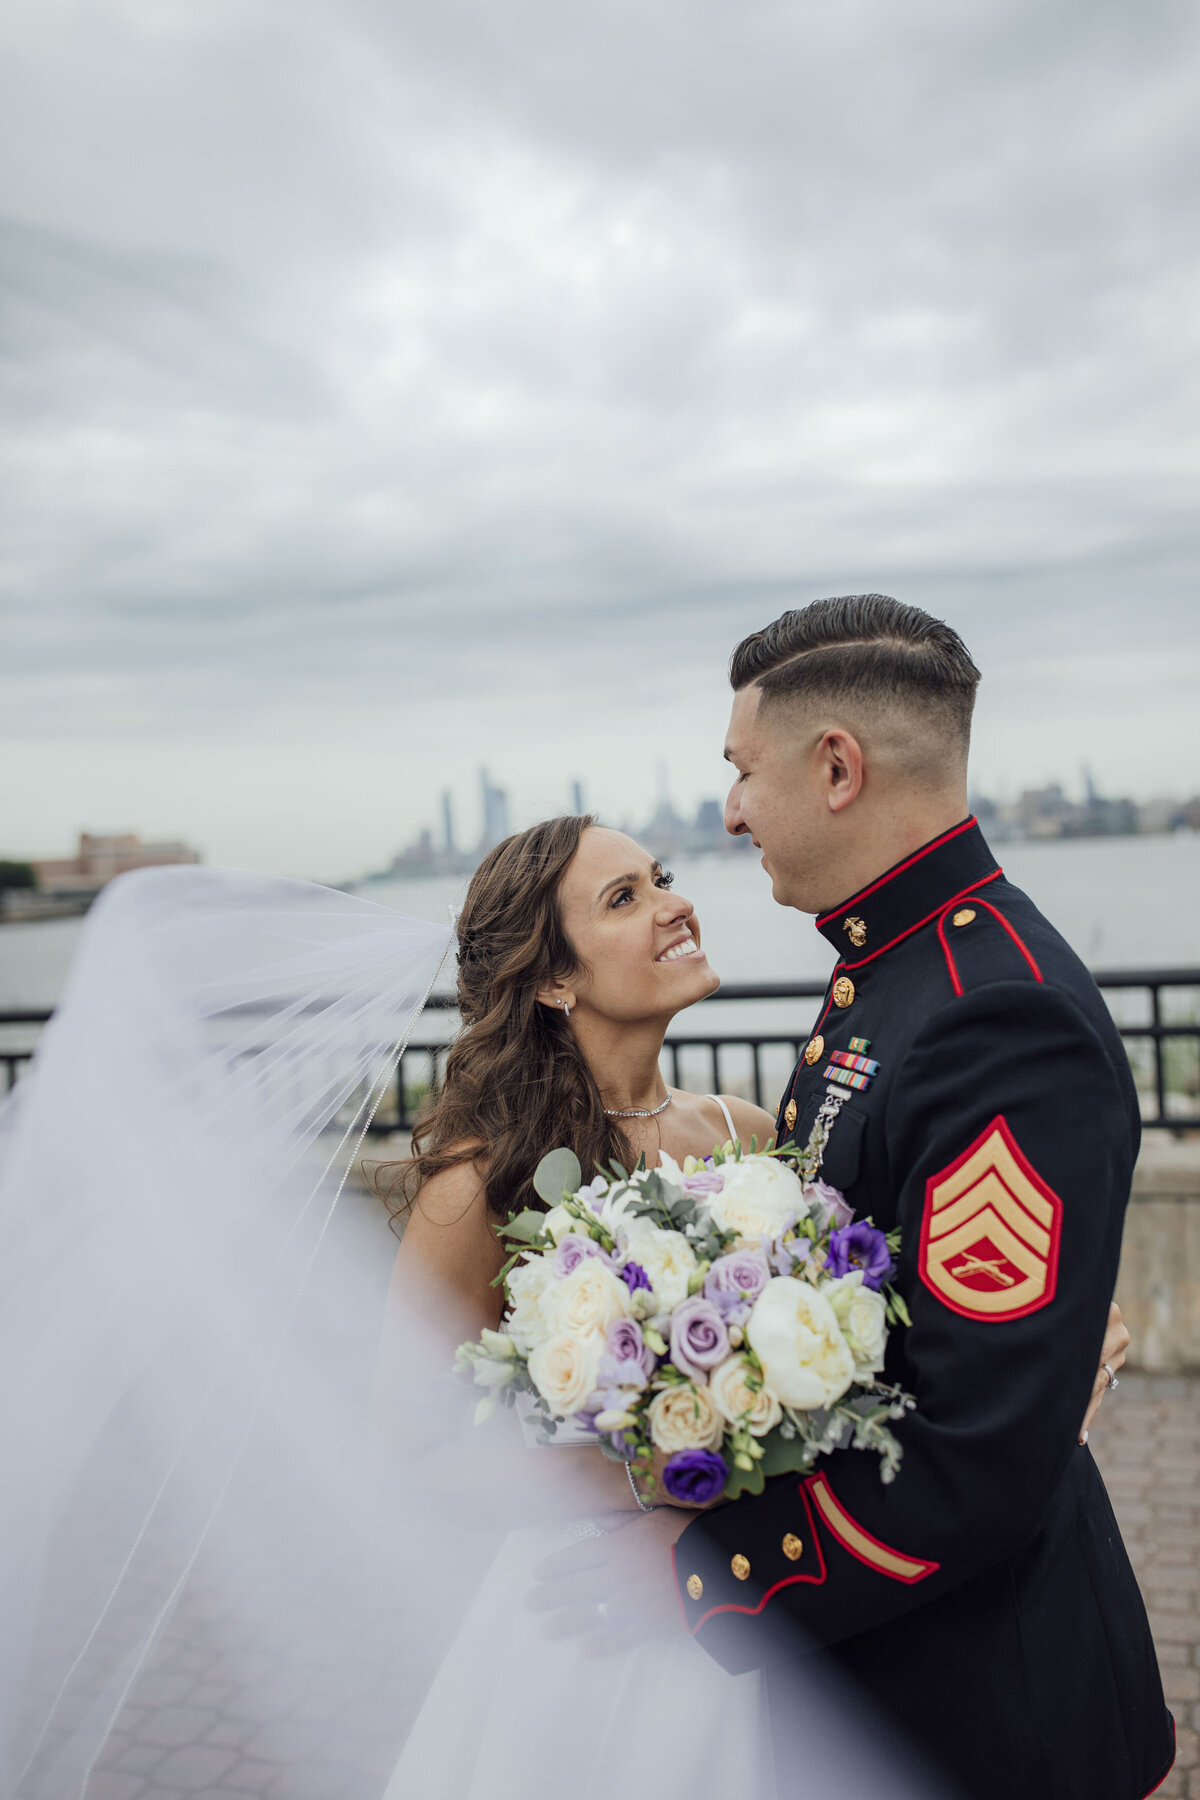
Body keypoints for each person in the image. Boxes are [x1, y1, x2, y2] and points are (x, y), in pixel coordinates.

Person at [533, 596, 1171, 1800]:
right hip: (887, 1671)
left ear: (836, 768)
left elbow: (974, 1455)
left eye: (741, 772)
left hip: (985, 1712)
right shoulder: (889, 977)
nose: (728, 811)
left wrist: (704, 1571)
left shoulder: (997, 1014)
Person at [379, 798, 1133, 1796]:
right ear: (554, 976)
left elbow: (873, 1306)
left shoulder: (742, 1132)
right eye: (624, 897)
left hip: (763, 1612)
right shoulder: (478, 1187)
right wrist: (649, 1479)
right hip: (599, 1613)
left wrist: (1062, 1342)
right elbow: (403, 1458)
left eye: (660, 878)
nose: (671, 905)